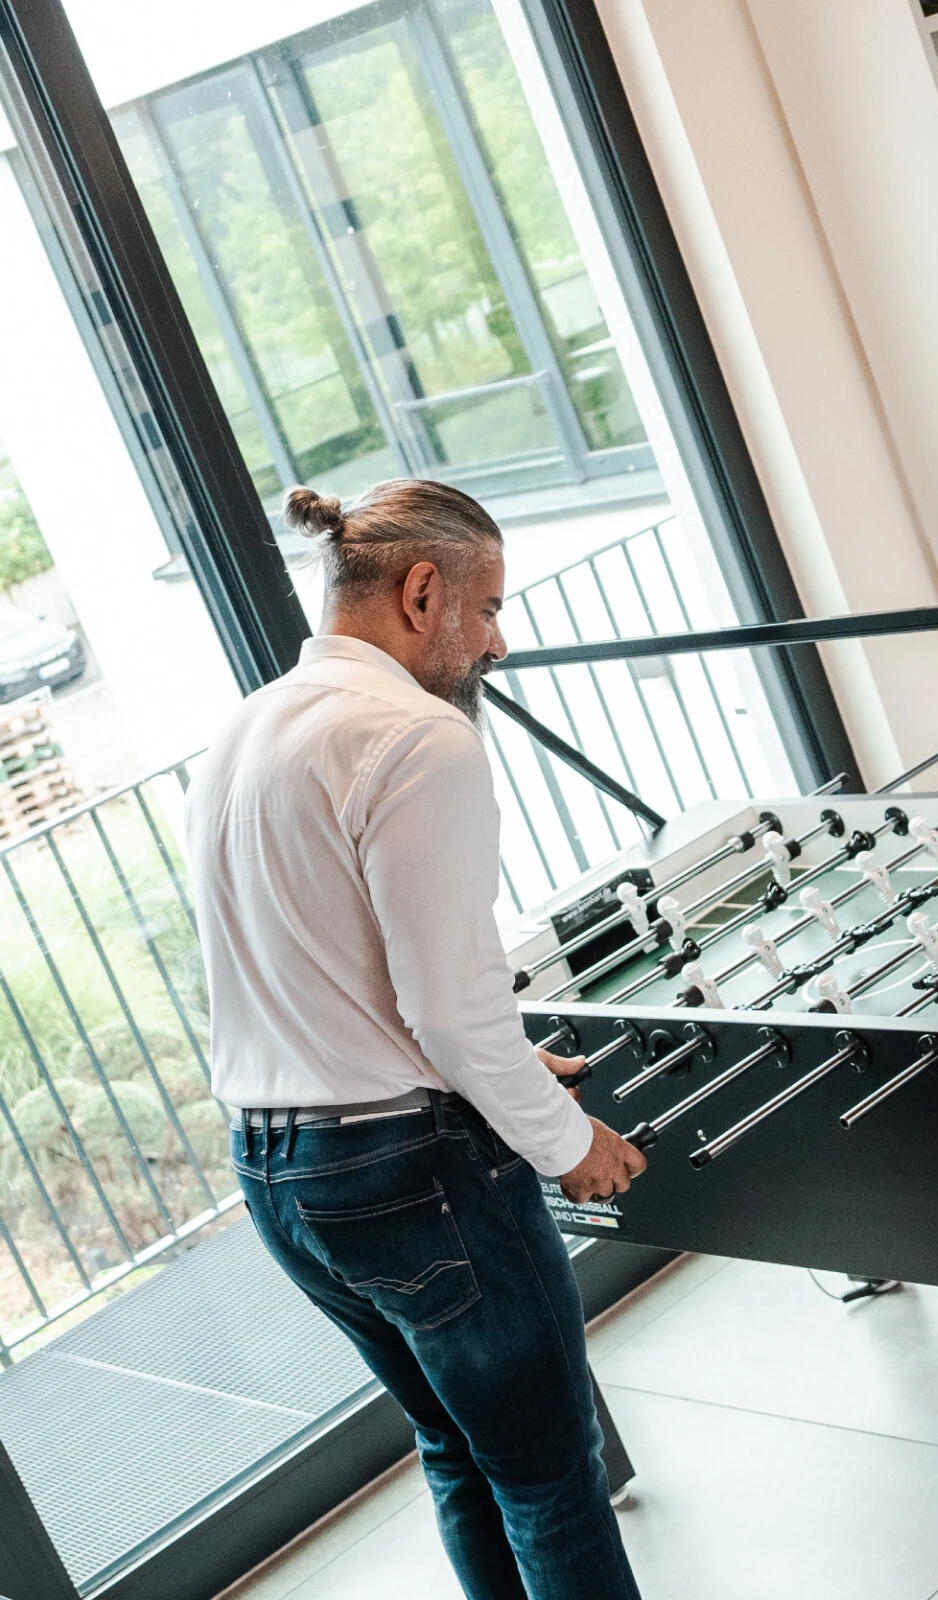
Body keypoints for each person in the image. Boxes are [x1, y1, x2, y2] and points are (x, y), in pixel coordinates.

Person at [189, 479, 647, 1600]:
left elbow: (320, 969)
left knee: (459, 1452)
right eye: (486, 607)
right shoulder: (419, 738)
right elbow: (451, 1004)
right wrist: (562, 1137)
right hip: (413, 1173)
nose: (496, 640)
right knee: (549, 1478)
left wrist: (478, 1064)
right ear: (421, 590)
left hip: (279, 1175)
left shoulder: (242, 731)